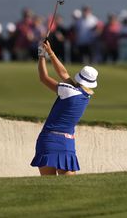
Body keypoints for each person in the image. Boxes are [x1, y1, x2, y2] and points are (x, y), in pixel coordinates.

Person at [30, 39, 98, 176]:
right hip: (67, 143)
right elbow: (64, 74)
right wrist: (50, 52)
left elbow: (44, 78)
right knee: (69, 190)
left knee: (48, 188)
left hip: (49, 140)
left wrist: (42, 55)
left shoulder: (69, 91)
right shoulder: (87, 95)